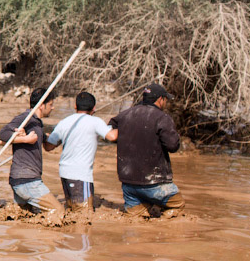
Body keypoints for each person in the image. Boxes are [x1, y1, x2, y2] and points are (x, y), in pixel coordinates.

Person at [108, 83, 183, 217]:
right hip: (155, 183)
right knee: (178, 205)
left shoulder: (124, 115)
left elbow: (109, 133)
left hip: (128, 184)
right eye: (165, 99)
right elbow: (173, 146)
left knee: (137, 217)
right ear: (161, 99)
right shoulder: (162, 118)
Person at [43, 91, 118, 213]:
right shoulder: (95, 121)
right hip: (81, 175)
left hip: (64, 172)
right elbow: (112, 137)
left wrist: (45, 136)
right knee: (84, 213)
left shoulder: (64, 122)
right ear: (93, 108)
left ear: (75, 107)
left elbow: (48, 147)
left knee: (72, 209)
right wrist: (126, 125)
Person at [0, 88, 65, 224]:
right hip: (27, 180)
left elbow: (46, 143)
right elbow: (2, 134)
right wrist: (24, 139)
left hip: (22, 179)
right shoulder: (25, 118)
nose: (53, 108)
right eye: (51, 104)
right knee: (58, 211)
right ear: (42, 105)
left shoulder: (37, 122)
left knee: (24, 219)